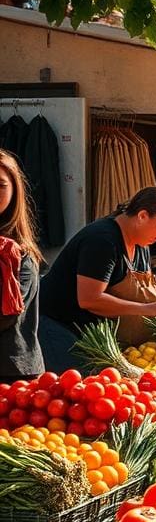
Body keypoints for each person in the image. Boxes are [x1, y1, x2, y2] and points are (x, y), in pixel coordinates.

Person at [40, 187, 156, 370]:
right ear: (142, 216)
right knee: (76, 385)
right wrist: (147, 309)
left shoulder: (142, 242)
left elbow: (149, 286)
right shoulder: (102, 241)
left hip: (90, 331)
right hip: (56, 323)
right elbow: (89, 299)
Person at [0, 151, 43, 382]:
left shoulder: (19, 252)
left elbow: (5, 315)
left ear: (15, 190)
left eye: (0, 185)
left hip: (12, 374)